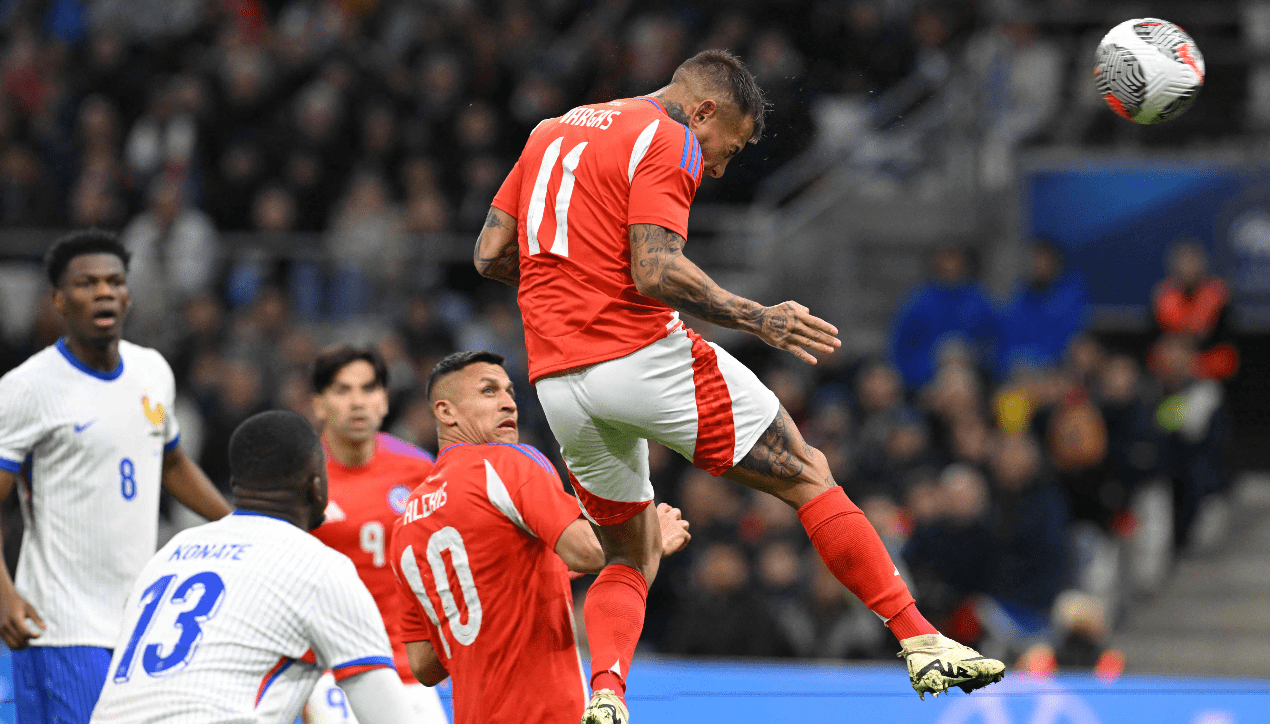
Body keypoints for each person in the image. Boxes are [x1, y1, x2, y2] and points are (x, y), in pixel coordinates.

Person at [473, 48, 1004, 722]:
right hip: (639, 355)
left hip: (558, 382)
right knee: (807, 472)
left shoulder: (549, 130)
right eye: (731, 145)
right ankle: (919, 639)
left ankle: (605, 694)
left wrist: (572, 281)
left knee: (631, 552)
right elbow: (656, 270)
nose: (720, 166)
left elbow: (489, 255)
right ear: (704, 110)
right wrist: (762, 318)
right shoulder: (669, 137)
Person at [0, 230, 231, 723]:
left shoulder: (152, 371)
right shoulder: (27, 389)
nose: (104, 291)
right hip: (59, 626)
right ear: (58, 300)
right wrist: (3, 593)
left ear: (128, 293)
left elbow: (170, 461)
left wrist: (237, 523)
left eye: (114, 281)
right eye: (86, 283)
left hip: (139, 622)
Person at [390, 351, 691, 724]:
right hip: (547, 713)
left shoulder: (405, 523)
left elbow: (424, 666)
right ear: (446, 412)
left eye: (510, 391)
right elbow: (582, 550)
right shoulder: (504, 463)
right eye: (488, 391)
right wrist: (649, 539)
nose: (507, 402)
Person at [90, 410, 414, 723]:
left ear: (235, 482)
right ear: (316, 487)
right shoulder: (317, 566)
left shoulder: (171, 552)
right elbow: (388, 715)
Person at [304, 345, 449, 724]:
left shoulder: (420, 471)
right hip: (328, 673)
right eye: (342, 390)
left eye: (369, 389)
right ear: (318, 405)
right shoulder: (300, 480)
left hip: (410, 671)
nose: (358, 402)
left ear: (384, 401)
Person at [889, 247, 997, 391]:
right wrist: (931, 367)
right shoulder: (917, 302)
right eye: (946, 258)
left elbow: (994, 347)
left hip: (972, 381)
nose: (950, 265)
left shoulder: (981, 301)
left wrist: (969, 360)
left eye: (954, 258)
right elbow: (900, 352)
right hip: (926, 384)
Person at [996, 240, 1089, 378]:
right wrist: (1016, 362)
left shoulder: (1070, 295)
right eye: (1036, 259)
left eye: (1044, 259)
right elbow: (1006, 340)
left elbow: (1068, 338)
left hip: (1055, 371)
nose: (1039, 265)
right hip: (1018, 372)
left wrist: (1042, 364)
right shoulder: (1019, 296)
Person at [1151, 240, 1238, 381]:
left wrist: (1192, 362)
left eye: (1193, 262)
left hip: (1209, 363)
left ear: (1203, 265)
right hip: (1172, 365)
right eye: (1184, 263)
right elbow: (1158, 339)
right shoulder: (1162, 296)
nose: (1188, 268)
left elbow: (1223, 339)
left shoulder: (1219, 295)